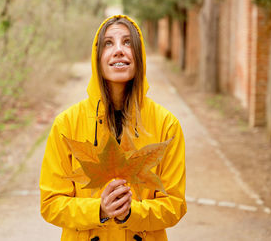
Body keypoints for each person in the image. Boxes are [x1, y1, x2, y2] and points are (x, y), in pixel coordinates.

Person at [40, 14, 186, 241]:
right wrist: (99, 210)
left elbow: (174, 205)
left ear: (140, 56)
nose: (119, 50)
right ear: (97, 58)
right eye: (109, 43)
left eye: (128, 42)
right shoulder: (66, 125)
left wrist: (131, 213)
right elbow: (50, 203)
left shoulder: (167, 125)